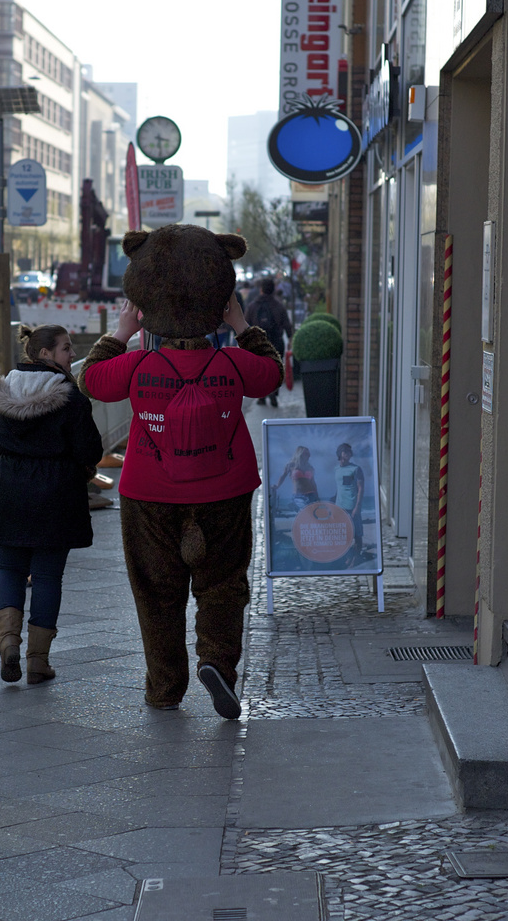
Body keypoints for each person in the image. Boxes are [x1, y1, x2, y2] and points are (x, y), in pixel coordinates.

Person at [82, 224, 282, 718]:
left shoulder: (135, 367)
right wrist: (241, 325)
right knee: (223, 586)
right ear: (217, 300)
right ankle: (217, 662)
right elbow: (274, 372)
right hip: (226, 490)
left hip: (150, 493)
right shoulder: (234, 364)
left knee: (156, 594)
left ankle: (165, 686)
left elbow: (90, 380)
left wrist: (121, 332)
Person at [0, 324, 103, 684]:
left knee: (9, 569)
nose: (71, 355)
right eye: (66, 348)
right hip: (57, 494)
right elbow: (91, 451)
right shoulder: (71, 398)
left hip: (11, 491)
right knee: (49, 576)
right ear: (45, 354)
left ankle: (8, 643)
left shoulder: (0, 394)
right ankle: (37, 660)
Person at [247, 277, 292, 407]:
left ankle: (261, 395)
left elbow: (246, 324)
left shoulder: (253, 306)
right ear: (273, 290)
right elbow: (286, 324)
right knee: (276, 369)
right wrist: (290, 338)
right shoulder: (278, 306)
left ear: (261, 289)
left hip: (258, 343)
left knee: (259, 370)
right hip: (276, 342)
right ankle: (273, 393)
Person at [333, 442, 367, 558]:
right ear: (340, 453)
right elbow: (340, 487)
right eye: (345, 451)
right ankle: (346, 558)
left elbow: (361, 489)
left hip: (352, 506)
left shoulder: (356, 469)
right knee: (343, 535)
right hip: (339, 508)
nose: (348, 454)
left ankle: (356, 559)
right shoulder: (336, 469)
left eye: (349, 452)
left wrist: (357, 507)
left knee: (357, 534)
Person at [272, 446, 320, 511]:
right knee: (305, 512)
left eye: (309, 454)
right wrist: (277, 486)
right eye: (306, 454)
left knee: (311, 515)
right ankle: (294, 505)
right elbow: (283, 476)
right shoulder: (291, 465)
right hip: (298, 495)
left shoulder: (310, 467)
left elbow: (313, 482)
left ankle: (293, 506)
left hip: (311, 494)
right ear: (300, 454)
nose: (308, 456)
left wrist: (317, 496)